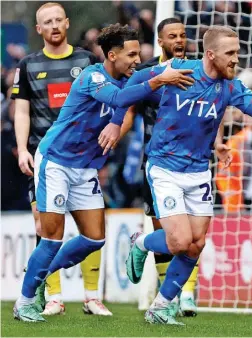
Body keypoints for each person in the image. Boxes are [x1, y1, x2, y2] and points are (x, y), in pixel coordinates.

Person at [121, 26, 252, 325]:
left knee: (197, 244)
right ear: (211, 55)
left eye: (237, 52)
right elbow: (130, 87)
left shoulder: (230, 86)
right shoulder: (178, 69)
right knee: (181, 241)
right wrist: (157, 79)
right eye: (230, 54)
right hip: (165, 166)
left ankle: (160, 306)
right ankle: (141, 242)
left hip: (198, 170)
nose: (236, 59)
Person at [13, 23, 195, 323]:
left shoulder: (131, 78)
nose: (138, 60)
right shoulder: (92, 76)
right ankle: (25, 300)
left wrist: (119, 119)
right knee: (51, 237)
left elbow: (133, 93)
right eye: (131, 54)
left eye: (139, 53)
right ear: (112, 55)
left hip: (85, 167)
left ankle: (42, 273)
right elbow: (118, 98)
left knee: (95, 239)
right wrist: (156, 81)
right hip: (56, 161)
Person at [119, 17, 224, 316]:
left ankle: (185, 293)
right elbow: (127, 109)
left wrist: (218, 142)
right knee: (168, 234)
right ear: (161, 40)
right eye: (173, 36)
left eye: (184, 35)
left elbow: (215, 109)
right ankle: (171, 298)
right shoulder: (146, 72)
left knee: (193, 235)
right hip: (158, 164)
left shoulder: (197, 71)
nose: (180, 40)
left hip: (192, 162)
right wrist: (115, 132)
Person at [11, 2, 110, 316]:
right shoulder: (27, 65)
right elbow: (21, 110)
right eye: (46, 22)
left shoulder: (88, 60)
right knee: (45, 227)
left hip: (81, 158)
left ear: (67, 23)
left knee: (91, 230)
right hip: (44, 156)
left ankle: (92, 296)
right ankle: (52, 296)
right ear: (38, 29)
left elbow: (103, 104)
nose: (53, 25)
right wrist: (23, 148)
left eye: (58, 20)